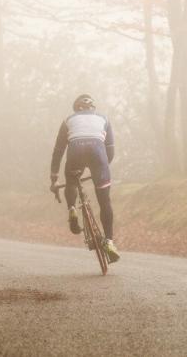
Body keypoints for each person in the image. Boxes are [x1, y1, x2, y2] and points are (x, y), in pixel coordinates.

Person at [50, 94, 120, 263]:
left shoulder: (68, 120)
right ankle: (109, 242)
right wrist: (101, 169)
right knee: (105, 201)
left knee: (72, 181)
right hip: (99, 155)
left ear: (76, 109)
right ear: (92, 108)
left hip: (76, 153)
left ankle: (72, 209)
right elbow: (110, 150)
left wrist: (54, 178)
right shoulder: (104, 119)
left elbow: (58, 150)